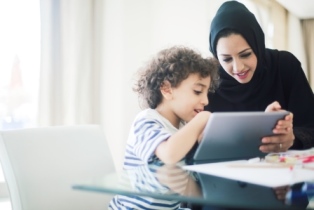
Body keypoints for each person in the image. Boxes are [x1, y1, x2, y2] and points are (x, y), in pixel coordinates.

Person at [109, 46, 219, 209]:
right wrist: (202, 119)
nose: (206, 101)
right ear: (167, 89)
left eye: (207, 93)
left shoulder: (184, 130)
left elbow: (193, 193)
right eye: (197, 91)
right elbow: (169, 154)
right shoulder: (146, 121)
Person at [206, 1, 314, 153]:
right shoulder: (206, 80)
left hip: (285, 170)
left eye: (246, 54)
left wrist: (293, 138)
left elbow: (311, 126)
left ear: (257, 44)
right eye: (226, 59)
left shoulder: (284, 66)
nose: (238, 68)